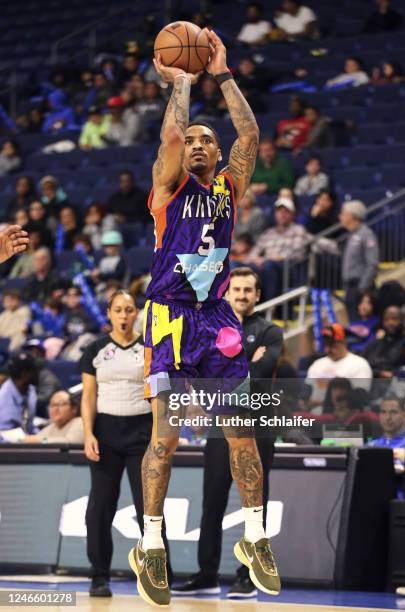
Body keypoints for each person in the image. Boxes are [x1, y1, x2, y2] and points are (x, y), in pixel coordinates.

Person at [128, 28, 280, 608]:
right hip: (167, 317)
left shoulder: (230, 187)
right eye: (189, 140)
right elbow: (169, 132)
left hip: (216, 318)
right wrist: (184, 84)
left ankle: (256, 536)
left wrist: (221, 70)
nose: (194, 144)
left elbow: (251, 132)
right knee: (165, 442)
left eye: (204, 141)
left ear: (216, 156)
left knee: (241, 433)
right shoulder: (166, 189)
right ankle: (151, 543)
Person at [173, 268, 283, 598]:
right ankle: (206, 574)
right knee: (212, 502)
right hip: (220, 427)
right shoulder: (212, 328)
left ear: (258, 295)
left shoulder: (270, 331)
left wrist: (227, 367)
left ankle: (249, 576)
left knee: (255, 502)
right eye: (237, 289)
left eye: (249, 290)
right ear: (226, 292)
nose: (242, 295)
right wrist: (244, 362)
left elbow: (262, 375)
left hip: (258, 427)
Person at [80, 290, 171, 597]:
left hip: (141, 434)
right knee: (100, 508)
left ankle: (159, 572)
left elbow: (160, 395)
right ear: (109, 313)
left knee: (150, 506)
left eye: (129, 310)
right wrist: (89, 433)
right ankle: (99, 575)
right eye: (118, 310)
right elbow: (88, 396)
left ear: (136, 314)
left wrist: (162, 434)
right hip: (106, 434)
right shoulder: (94, 349)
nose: (123, 315)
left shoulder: (150, 348)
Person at [248, 197, 310, 300]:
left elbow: (299, 253)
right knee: (240, 267)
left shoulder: (298, 230)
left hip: (287, 268)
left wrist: (280, 257)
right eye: (279, 211)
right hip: (266, 266)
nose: (282, 214)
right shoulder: (269, 233)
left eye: (286, 211)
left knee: (269, 266)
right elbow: (252, 254)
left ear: (293, 214)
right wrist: (255, 259)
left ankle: (268, 308)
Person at [305, 324, 373, 410]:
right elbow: (307, 389)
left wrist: (322, 403)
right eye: (326, 345)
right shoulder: (317, 364)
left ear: (343, 342)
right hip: (314, 416)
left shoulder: (359, 363)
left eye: (332, 345)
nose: (327, 350)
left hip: (343, 417)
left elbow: (360, 398)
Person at [339, 200, 379, 321]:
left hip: (360, 288)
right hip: (350, 288)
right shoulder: (351, 235)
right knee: (353, 324)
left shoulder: (366, 234)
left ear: (352, 216)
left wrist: (363, 289)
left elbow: (372, 263)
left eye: (343, 213)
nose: (340, 216)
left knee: (361, 326)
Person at [0, 353, 38, 436]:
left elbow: (29, 426)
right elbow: (3, 433)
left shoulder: (31, 390)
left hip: (27, 439)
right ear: (23, 374)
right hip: (8, 445)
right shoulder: (4, 397)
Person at [23, 338, 61, 419]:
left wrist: (21, 402)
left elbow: (42, 401)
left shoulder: (48, 377)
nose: (32, 356)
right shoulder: (23, 373)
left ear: (42, 355)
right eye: (29, 353)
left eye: (36, 353)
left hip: (45, 417)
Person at [364, 306, 405, 379]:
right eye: (386, 320)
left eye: (394, 319)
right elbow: (363, 363)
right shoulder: (375, 343)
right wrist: (379, 373)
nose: (390, 322)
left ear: (402, 320)